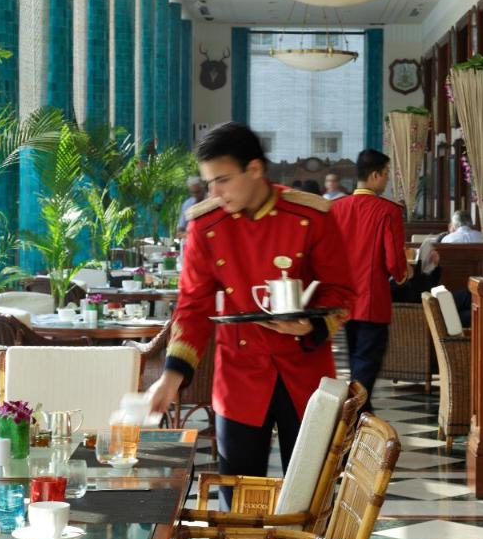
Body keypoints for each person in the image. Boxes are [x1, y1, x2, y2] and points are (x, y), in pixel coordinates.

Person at [147, 123, 354, 507]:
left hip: (305, 373)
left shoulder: (309, 215)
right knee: (239, 499)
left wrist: (310, 325)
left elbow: (341, 292)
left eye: (223, 180)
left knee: (312, 497)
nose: (214, 193)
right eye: (209, 182)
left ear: (254, 169)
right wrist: (170, 378)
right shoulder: (206, 226)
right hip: (239, 376)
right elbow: (192, 307)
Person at [331, 149, 410, 412]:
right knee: (367, 363)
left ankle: (359, 413)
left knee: (356, 361)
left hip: (344, 299)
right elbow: (394, 262)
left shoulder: (336, 208)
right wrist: (403, 275)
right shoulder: (388, 211)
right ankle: (355, 415)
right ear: (375, 175)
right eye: (386, 174)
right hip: (372, 299)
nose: (386, 179)